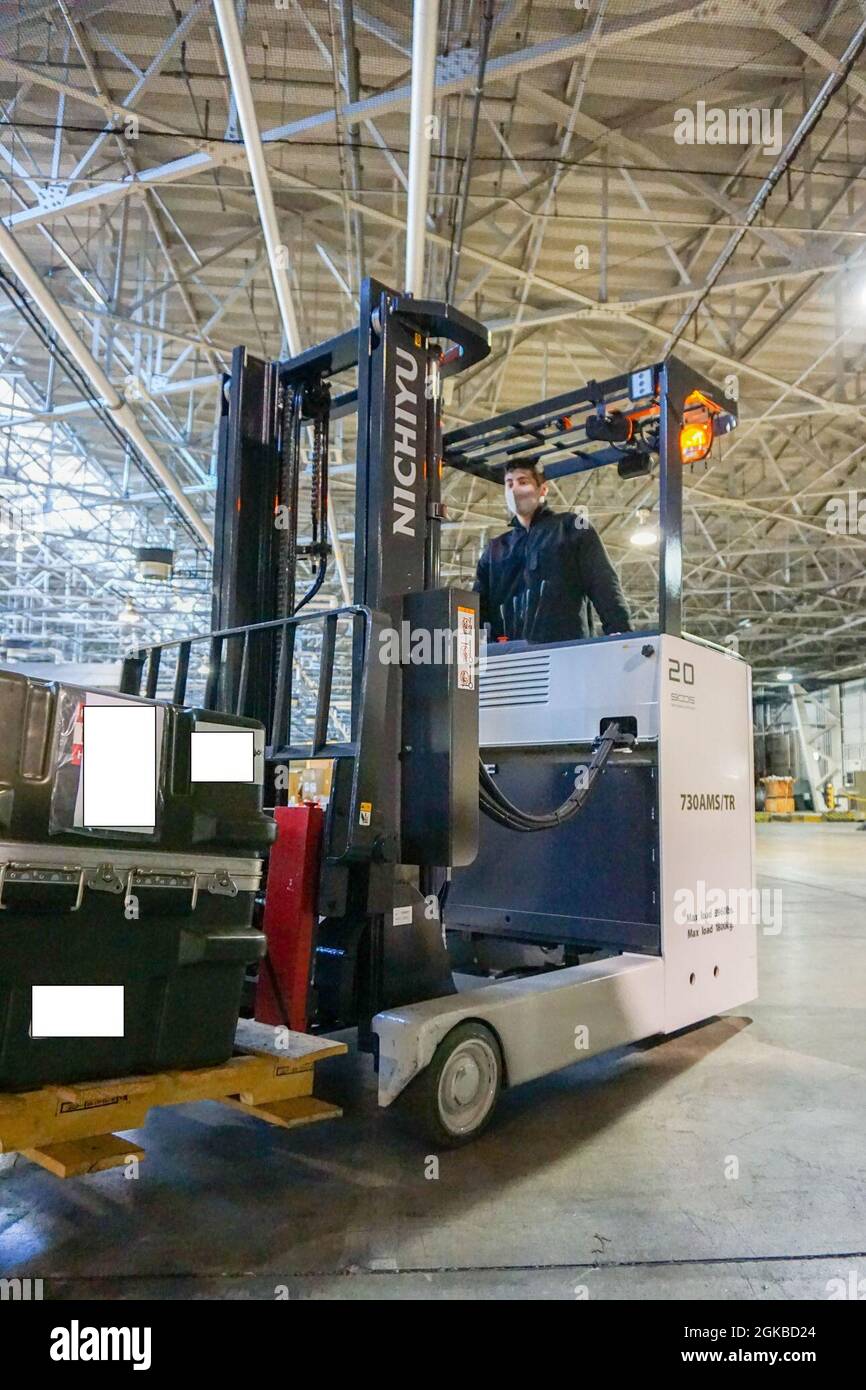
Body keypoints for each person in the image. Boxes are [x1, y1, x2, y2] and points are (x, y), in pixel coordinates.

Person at [473, 456, 632, 643]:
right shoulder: (495, 550)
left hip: (565, 651)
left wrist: (622, 633)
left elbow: (603, 583)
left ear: (543, 490)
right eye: (509, 484)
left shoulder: (571, 528)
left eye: (523, 482)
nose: (514, 489)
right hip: (509, 657)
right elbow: (477, 606)